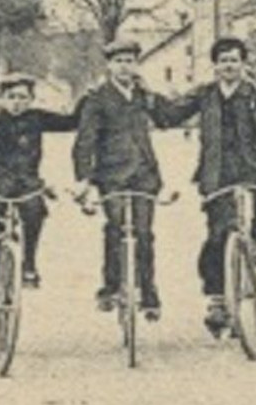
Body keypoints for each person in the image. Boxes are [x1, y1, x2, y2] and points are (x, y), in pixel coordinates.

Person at [157, 36, 256, 338]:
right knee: (217, 234)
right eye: (224, 60)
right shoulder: (204, 94)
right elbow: (171, 114)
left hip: (253, 167)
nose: (229, 66)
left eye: (234, 60)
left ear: (243, 64)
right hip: (216, 173)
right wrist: (147, 98)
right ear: (215, 66)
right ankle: (216, 299)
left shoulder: (254, 94)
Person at [73, 37, 188, 321]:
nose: (125, 67)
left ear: (137, 65)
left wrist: (196, 98)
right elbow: (84, 141)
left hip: (144, 174)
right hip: (111, 175)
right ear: (110, 65)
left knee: (144, 234)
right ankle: (110, 287)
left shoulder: (143, 96)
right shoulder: (96, 98)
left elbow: (168, 118)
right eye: (119, 61)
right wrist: (83, 178)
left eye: (130, 61)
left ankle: (149, 293)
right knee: (114, 227)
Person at [0, 73, 79, 323]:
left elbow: (71, 122)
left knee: (35, 210)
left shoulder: (37, 119)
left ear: (31, 99)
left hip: (27, 183)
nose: (17, 102)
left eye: (23, 97)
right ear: (2, 100)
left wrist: (89, 98)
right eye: (12, 97)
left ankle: (29, 264)